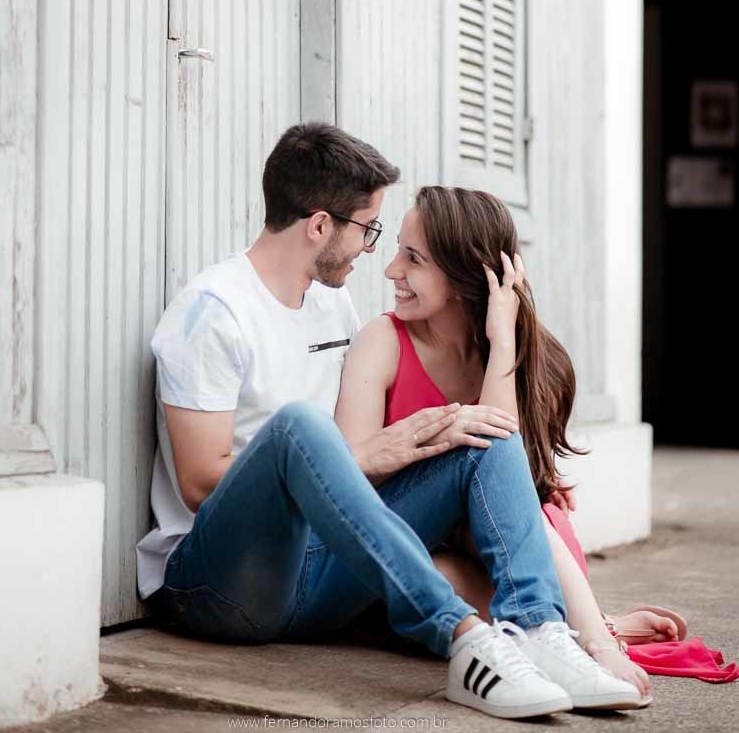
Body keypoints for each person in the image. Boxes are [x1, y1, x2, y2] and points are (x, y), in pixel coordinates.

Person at [136, 123, 644, 720]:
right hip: (221, 585)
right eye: (367, 229)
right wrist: (369, 456)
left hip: (319, 573)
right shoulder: (213, 313)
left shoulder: (333, 303)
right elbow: (199, 484)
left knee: (479, 430)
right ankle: (466, 640)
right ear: (321, 225)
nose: (373, 252)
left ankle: (538, 631)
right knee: (300, 428)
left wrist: (437, 439)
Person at [334, 185, 662, 705]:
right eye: (397, 249)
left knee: (517, 496)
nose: (392, 269)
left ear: (467, 277)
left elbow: (503, 461)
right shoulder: (383, 340)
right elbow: (345, 483)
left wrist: (502, 340)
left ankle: (585, 640)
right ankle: (586, 628)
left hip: (502, 541)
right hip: (411, 537)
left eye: (412, 258)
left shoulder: (527, 352)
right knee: (438, 575)